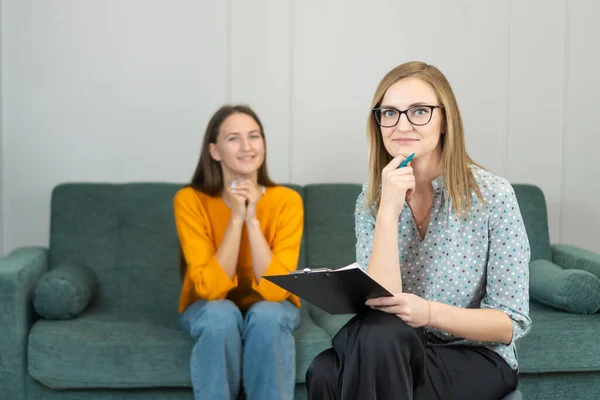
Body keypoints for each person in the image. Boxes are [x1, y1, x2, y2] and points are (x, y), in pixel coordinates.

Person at [306, 61, 532, 400]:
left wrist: (428, 312)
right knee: (328, 367)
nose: (402, 124)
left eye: (419, 111)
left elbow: (508, 324)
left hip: (478, 356)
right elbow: (381, 303)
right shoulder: (372, 200)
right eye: (390, 113)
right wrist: (387, 212)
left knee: (344, 366)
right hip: (396, 346)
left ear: (444, 120)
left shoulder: (493, 196)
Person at [174, 104, 304, 400]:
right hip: (209, 306)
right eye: (233, 138)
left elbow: (275, 292)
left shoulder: (287, 201)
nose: (247, 147)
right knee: (221, 315)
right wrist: (235, 218)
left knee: (268, 315)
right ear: (215, 151)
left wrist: (252, 220)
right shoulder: (190, 200)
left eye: (254, 136)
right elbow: (210, 289)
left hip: (274, 304)